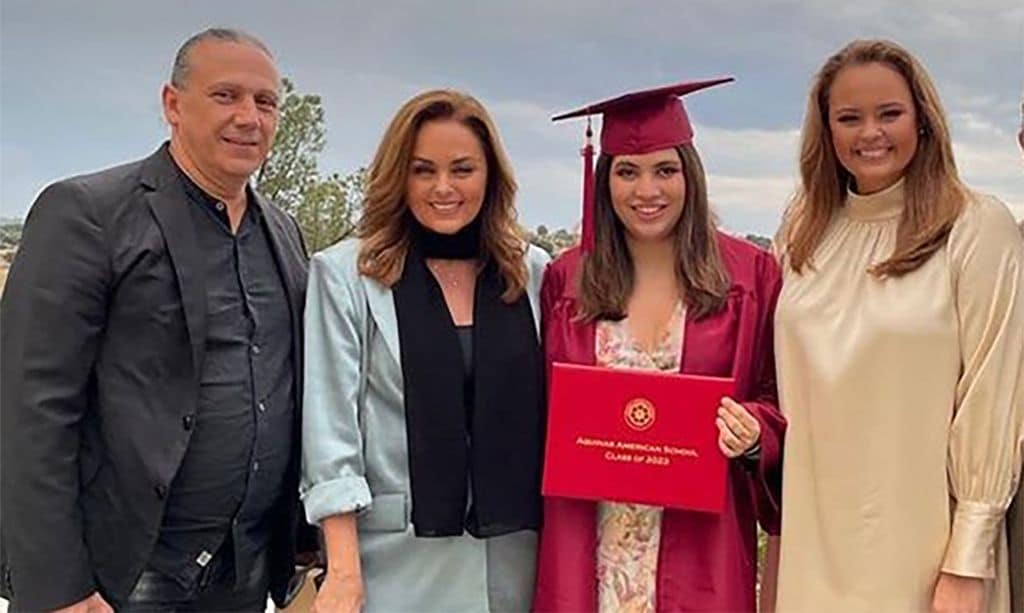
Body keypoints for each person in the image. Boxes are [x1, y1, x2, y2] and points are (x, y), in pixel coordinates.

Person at [0, 28, 309, 612]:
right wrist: (59, 585)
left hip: (241, 572)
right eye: (226, 96)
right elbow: (30, 409)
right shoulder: (88, 215)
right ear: (172, 104)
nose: (249, 117)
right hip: (121, 575)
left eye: (265, 102)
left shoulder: (285, 235)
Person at [772, 39, 1024, 612]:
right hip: (815, 538)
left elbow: (992, 398)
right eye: (849, 118)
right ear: (826, 131)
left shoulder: (976, 228)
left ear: (924, 119)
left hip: (924, 547)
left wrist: (969, 557)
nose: (870, 134)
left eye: (890, 113)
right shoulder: (802, 232)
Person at [532, 79, 786, 612]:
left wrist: (754, 433)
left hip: (700, 549)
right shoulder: (567, 279)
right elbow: (541, 409)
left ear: (690, 175)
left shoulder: (749, 276)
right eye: (627, 171)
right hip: (589, 543)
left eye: (665, 170)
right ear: (604, 181)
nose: (647, 191)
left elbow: (775, 396)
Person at [301, 89, 549, 612]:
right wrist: (343, 572)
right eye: (422, 170)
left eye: (462, 169)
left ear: (491, 175)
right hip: (393, 562)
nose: (443, 188)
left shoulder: (531, 273)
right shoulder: (349, 275)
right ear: (398, 175)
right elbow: (330, 434)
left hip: (516, 559)